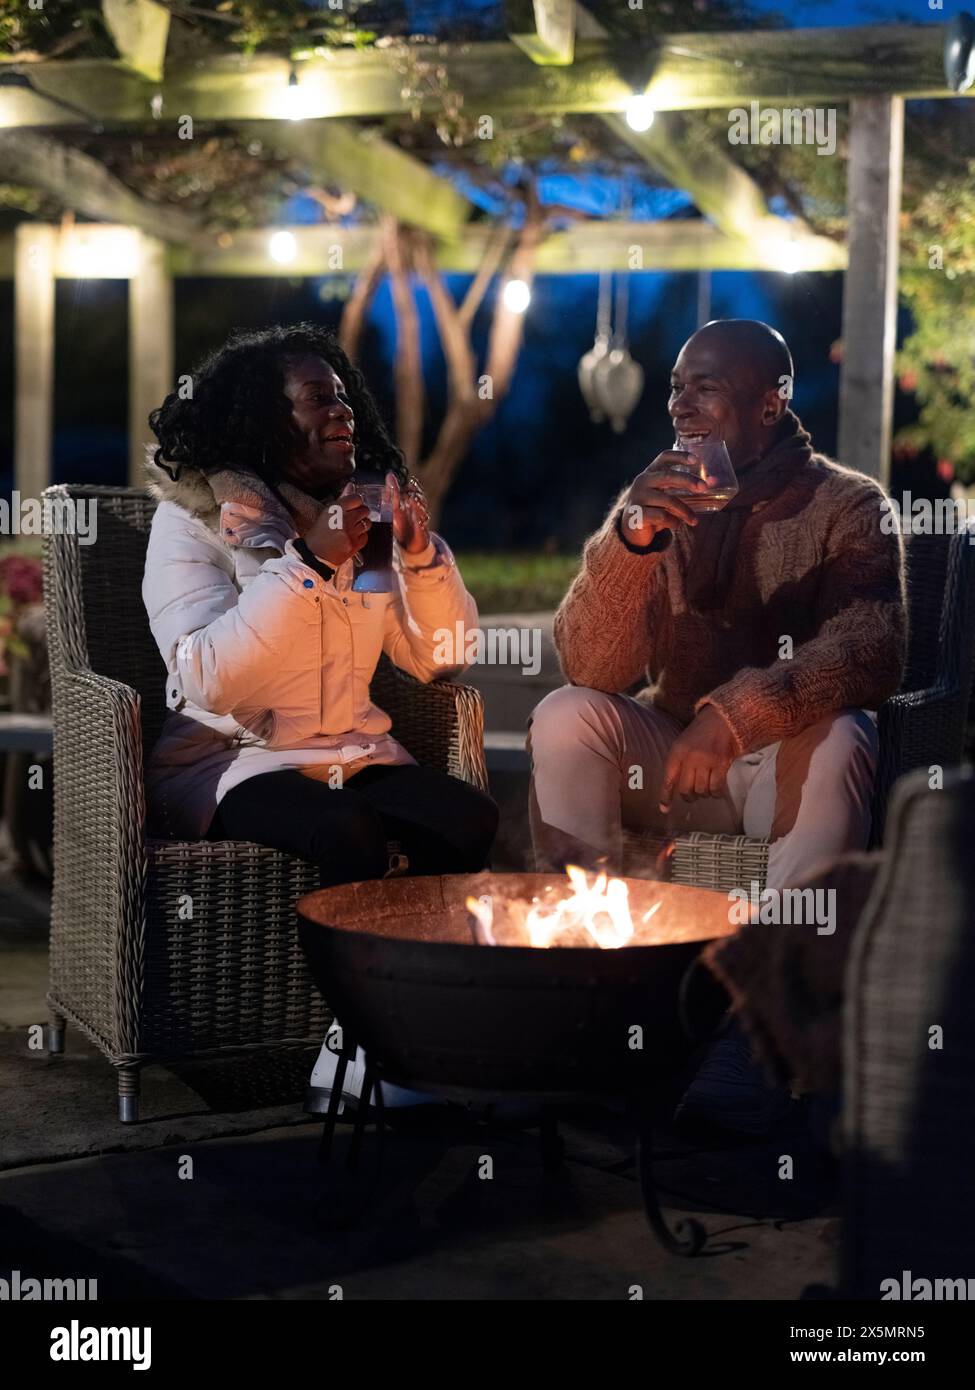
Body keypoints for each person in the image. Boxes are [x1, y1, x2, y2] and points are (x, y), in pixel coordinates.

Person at [528, 318, 907, 1135]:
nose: (679, 404)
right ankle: (589, 997)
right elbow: (589, 667)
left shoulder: (848, 504)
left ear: (769, 403)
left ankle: (764, 1033)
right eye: (675, 385)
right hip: (676, 769)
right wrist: (630, 541)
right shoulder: (661, 504)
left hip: (785, 766)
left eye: (704, 387)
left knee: (847, 734)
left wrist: (736, 717)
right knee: (565, 717)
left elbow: (869, 648)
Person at [142, 322, 498, 1111]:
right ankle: (357, 1041)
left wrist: (418, 554)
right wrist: (309, 563)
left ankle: (424, 1026)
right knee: (347, 834)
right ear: (260, 420)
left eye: (342, 398)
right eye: (314, 400)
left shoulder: (360, 518)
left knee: (466, 817)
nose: (340, 414)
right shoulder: (197, 522)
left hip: (350, 750)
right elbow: (209, 678)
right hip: (228, 762)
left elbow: (438, 657)